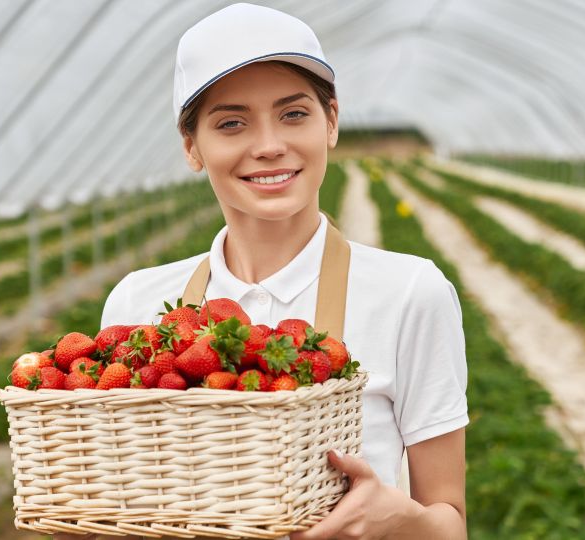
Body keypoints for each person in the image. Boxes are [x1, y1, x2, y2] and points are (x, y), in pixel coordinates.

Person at [54, 3, 467, 539]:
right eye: (231, 123)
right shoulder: (136, 304)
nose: (270, 146)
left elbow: (450, 524)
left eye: (294, 114)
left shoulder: (409, 292)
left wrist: (401, 519)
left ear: (332, 123)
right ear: (192, 148)